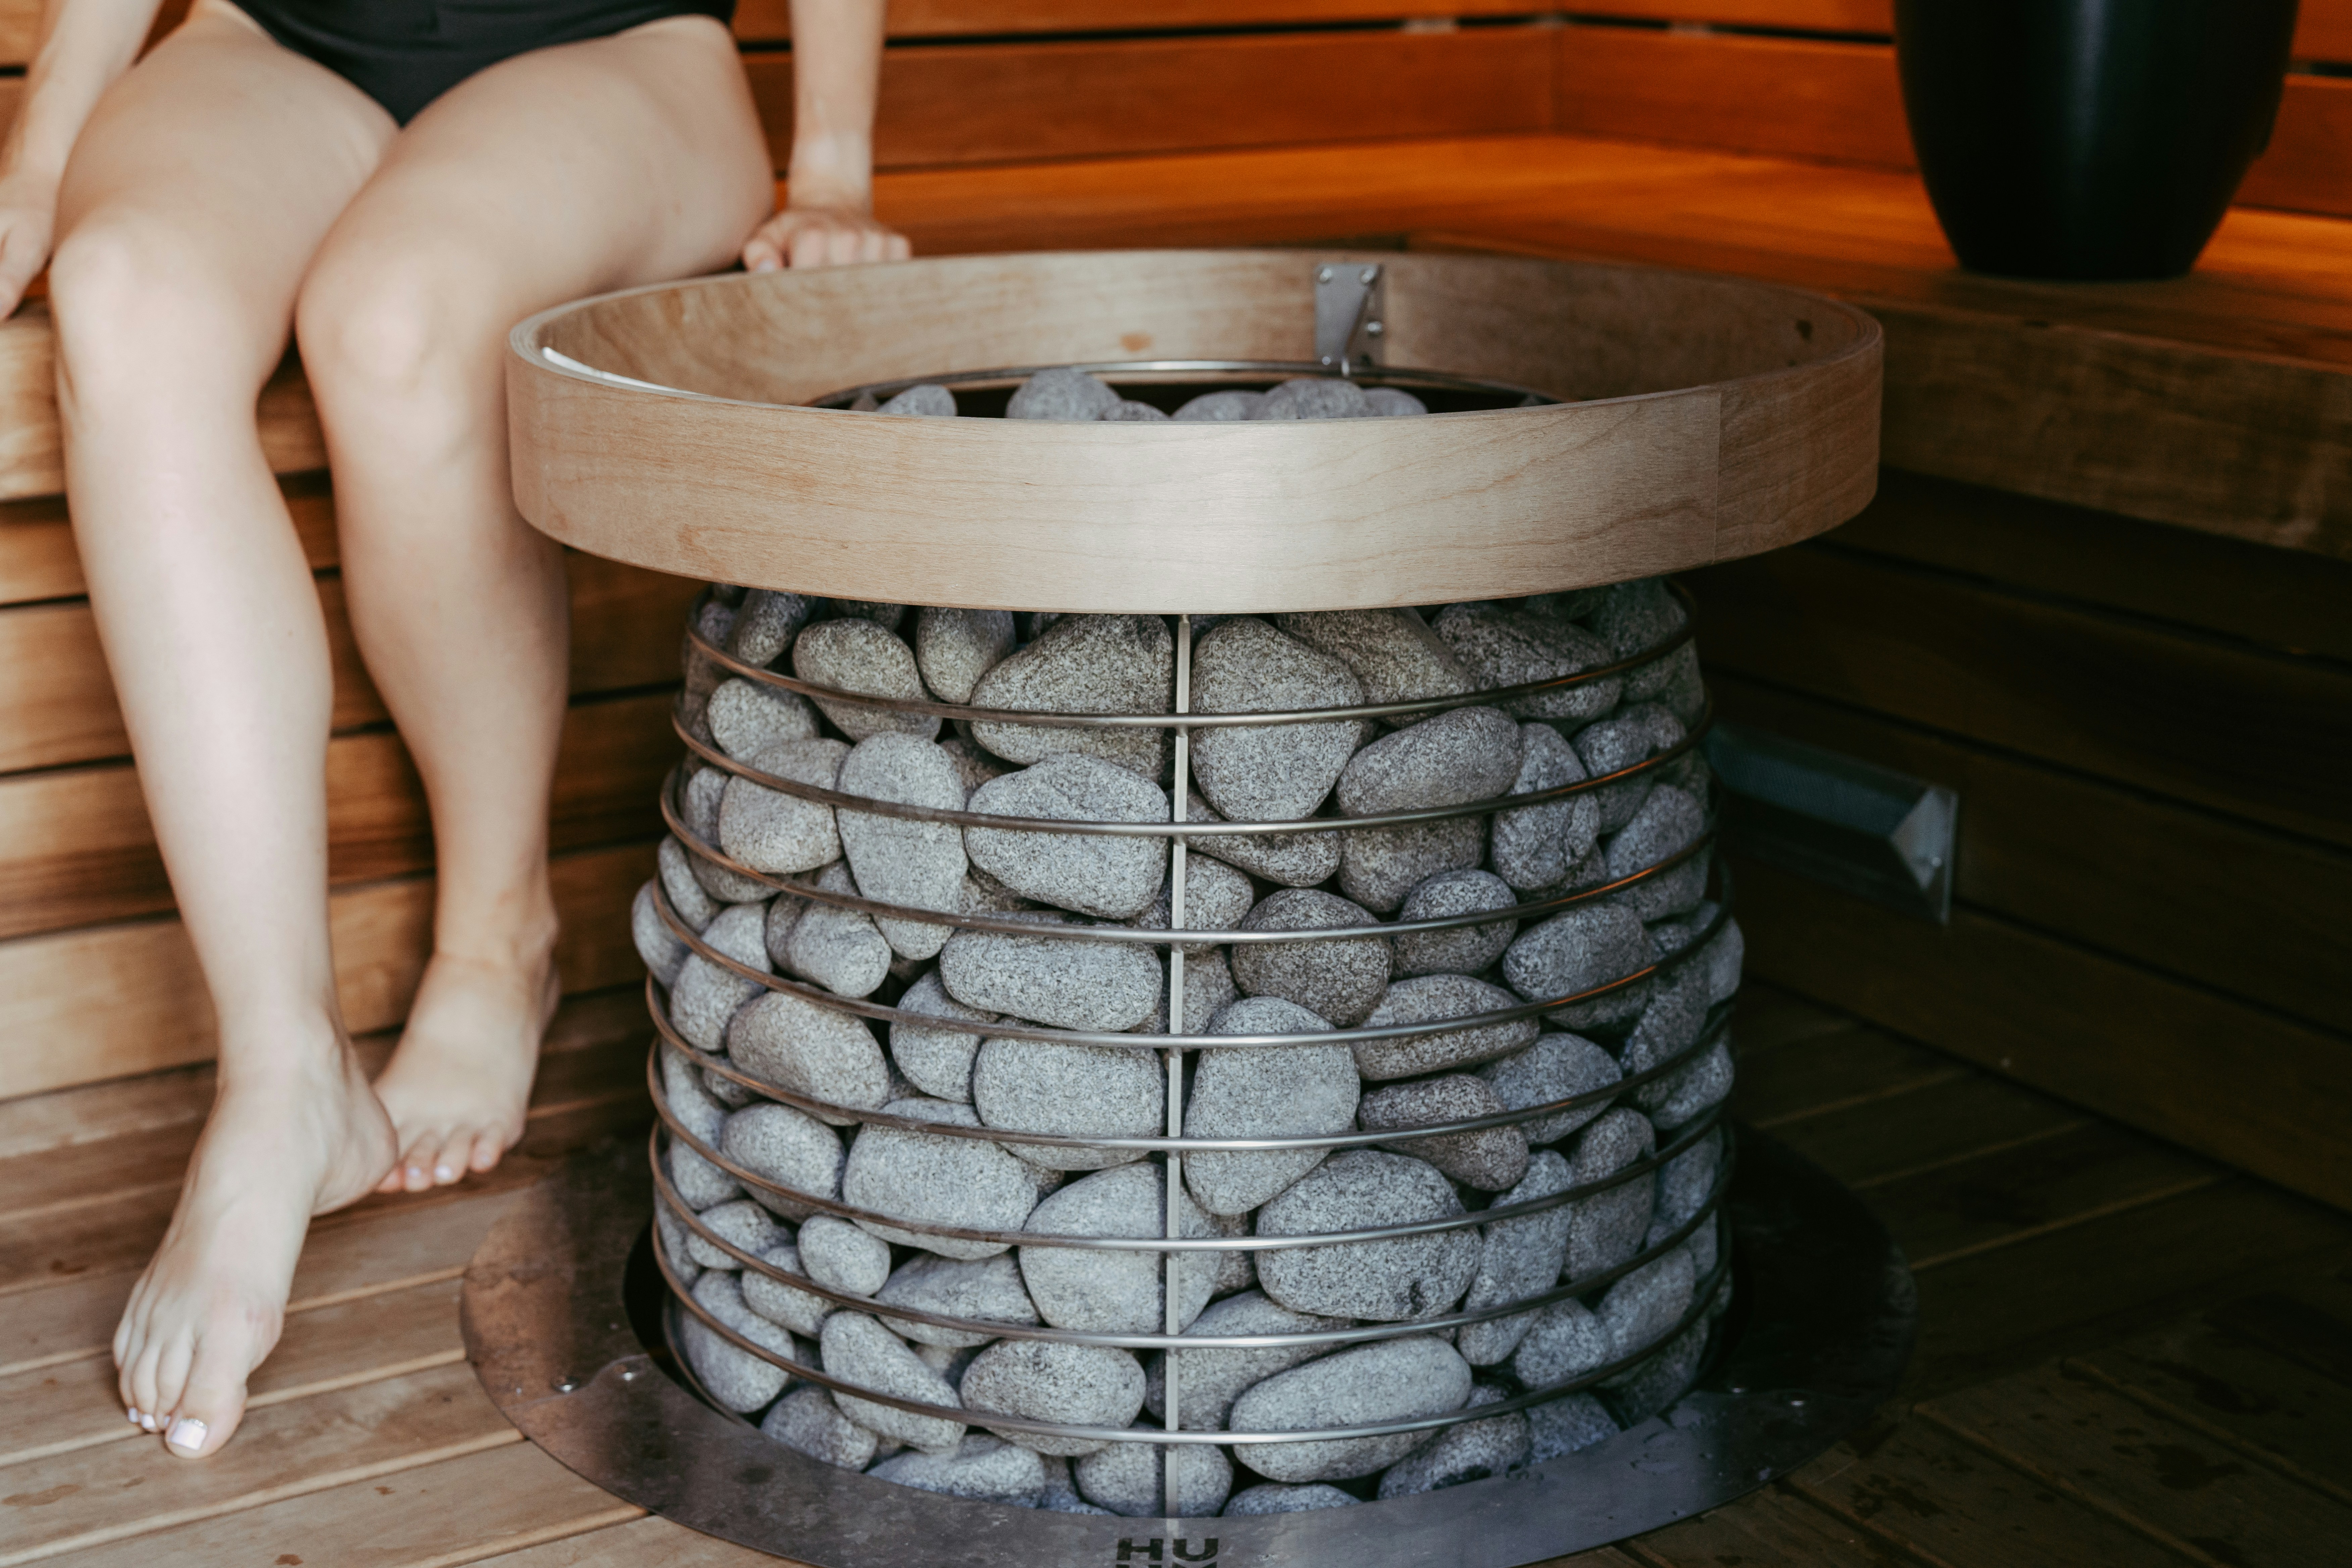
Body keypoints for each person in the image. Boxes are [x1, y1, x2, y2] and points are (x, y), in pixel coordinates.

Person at [0, 0, 904, 1460]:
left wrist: (837, 173)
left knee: (395, 316)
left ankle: (499, 941)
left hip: (615, 48)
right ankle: (282, 1073)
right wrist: (36, 171)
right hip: (278, 36)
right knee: (124, 292)